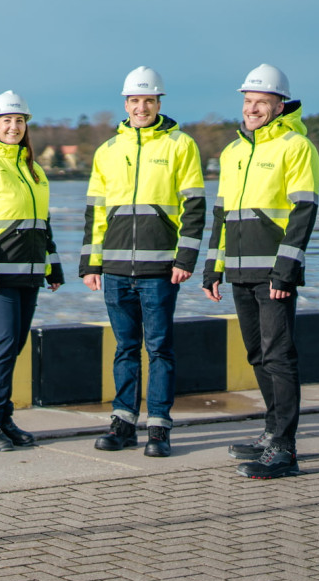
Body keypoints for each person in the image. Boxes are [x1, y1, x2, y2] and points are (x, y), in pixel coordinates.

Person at [80, 67, 206, 457]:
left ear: (158, 103)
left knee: (160, 348)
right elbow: (96, 213)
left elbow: (194, 207)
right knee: (124, 348)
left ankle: (159, 428)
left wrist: (185, 257)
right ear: (126, 104)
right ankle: (123, 423)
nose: (141, 107)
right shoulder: (107, 151)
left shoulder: (180, 145)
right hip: (115, 269)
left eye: (148, 100)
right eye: (135, 101)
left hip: (160, 268)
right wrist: (90, 263)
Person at [202, 63, 319, 479]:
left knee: (279, 356)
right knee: (257, 354)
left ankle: (285, 450)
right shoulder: (233, 152)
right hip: (237, 271)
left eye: (261, 102)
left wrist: (285, 272)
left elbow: (304, 211)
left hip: (273, 273)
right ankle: (271, 433)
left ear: (279, 104)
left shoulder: (295, 147)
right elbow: (221, 215)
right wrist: (212, 268)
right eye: (248, 101)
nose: (252, 109)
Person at [0, 90, 64, 452]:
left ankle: (2, 417)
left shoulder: (33, 169)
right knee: (2, 344)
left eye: (19, 121)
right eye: (7, 121)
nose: (13, 127)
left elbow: (42, 223)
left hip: (29, 272)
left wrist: (53, 264)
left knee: (14, 345)